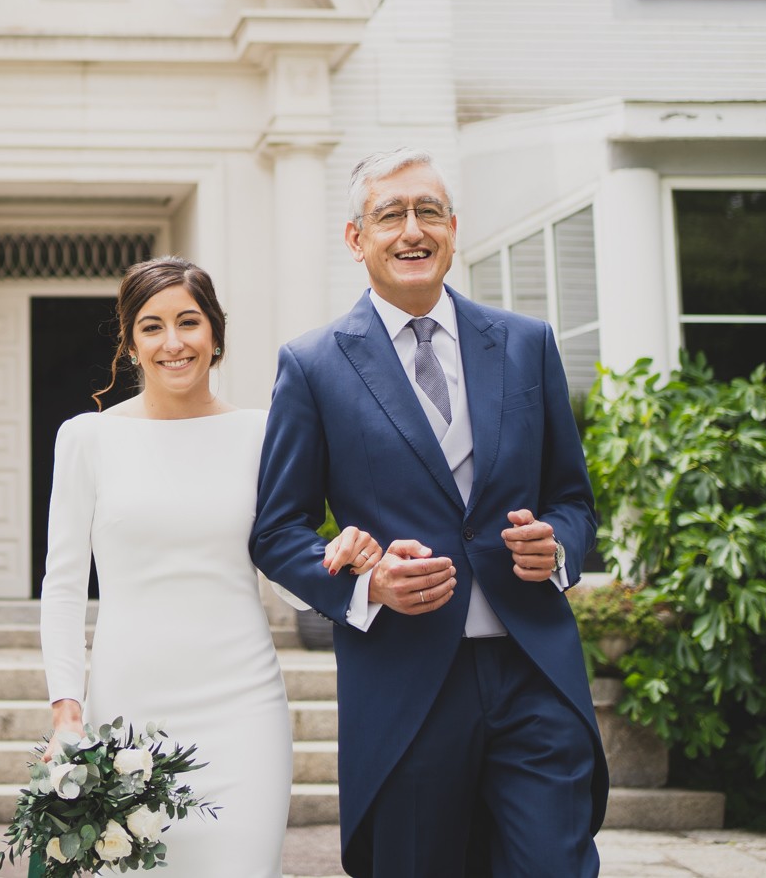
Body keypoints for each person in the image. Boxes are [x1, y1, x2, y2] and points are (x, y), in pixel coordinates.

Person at [250, 149, 607, 878]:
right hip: (406, 680)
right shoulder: (313, 365)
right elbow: (278, 531)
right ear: (356, 239)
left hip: (532, 667)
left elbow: (572, 499)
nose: (412, 229)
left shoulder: (527, 343)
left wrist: (558, 549)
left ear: (452, 228)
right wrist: (367, 585)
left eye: (428, 211)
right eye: (390, 214)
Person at [40, 256, 383, 877]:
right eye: (152, 326)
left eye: (189, 322)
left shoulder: (262, 433)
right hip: (128, 705)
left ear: (216, 334)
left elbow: (287, 573)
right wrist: (67, 710)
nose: (173, 342)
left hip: (243, 706)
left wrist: (339, 561)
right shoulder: (86, 439)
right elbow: (63, 587)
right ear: (130, 343)